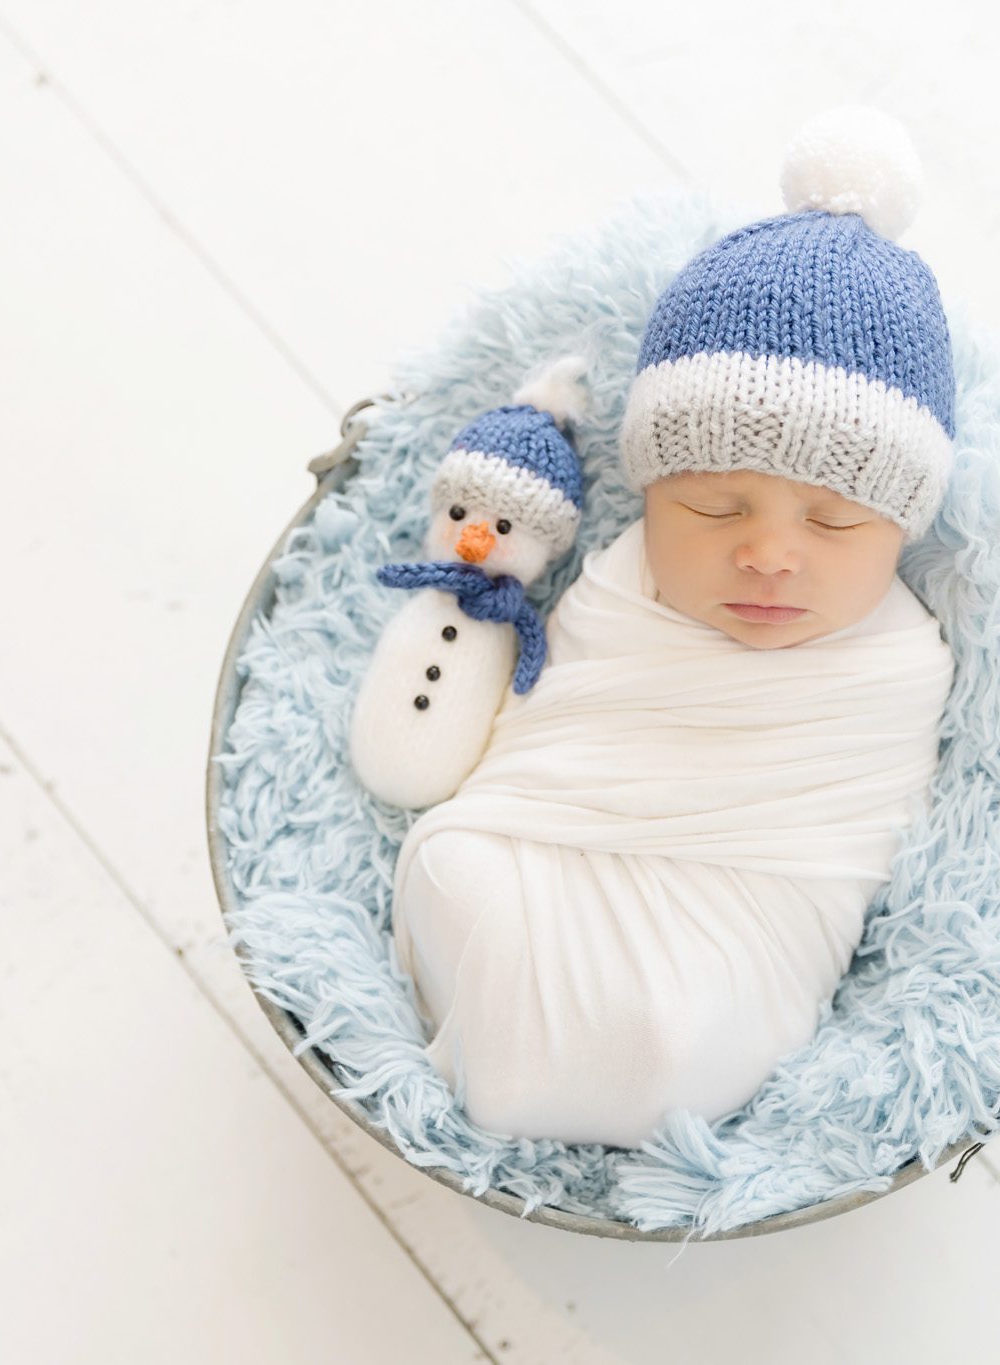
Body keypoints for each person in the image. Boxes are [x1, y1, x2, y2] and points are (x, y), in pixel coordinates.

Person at [388, 105, 962, 1148]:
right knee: (447, 865)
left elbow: (846, 844)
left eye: (833, 520)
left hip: (736, 947)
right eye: (711, 508)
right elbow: (543, 739)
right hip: (547, 864)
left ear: (901, 530)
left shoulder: (896, 665)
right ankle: (535, 1058)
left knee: (683, 1025)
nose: (771, 554)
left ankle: (585, 1066)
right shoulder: (613, 589)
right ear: (649, 496)